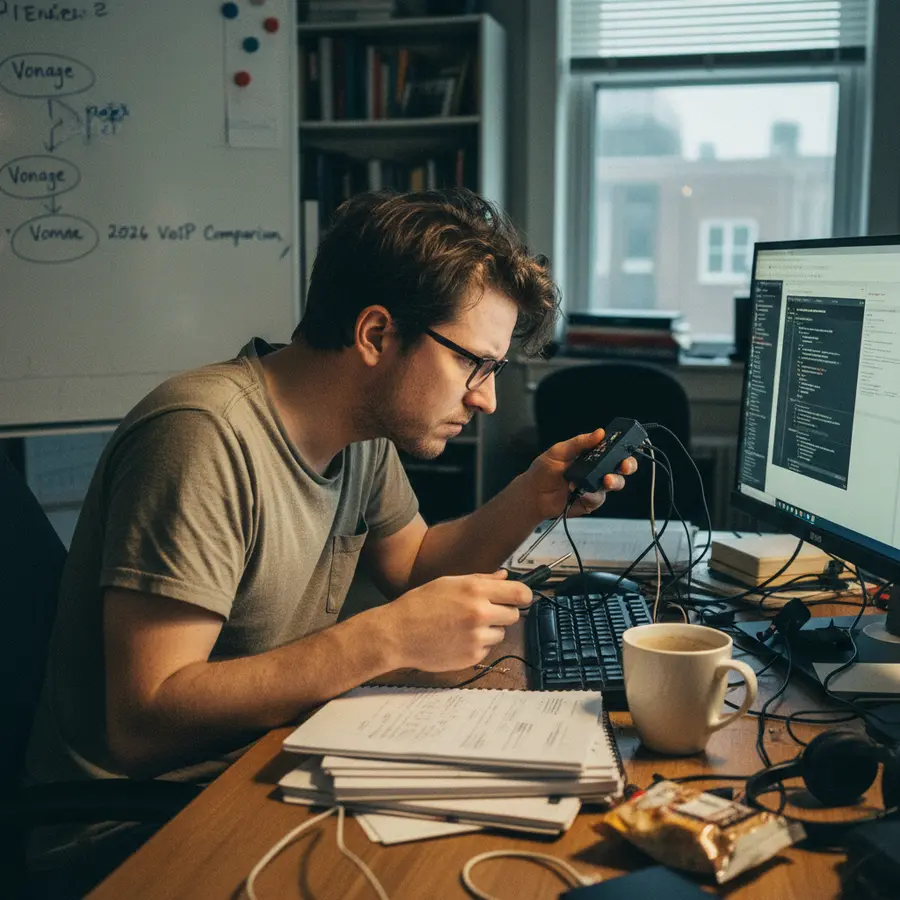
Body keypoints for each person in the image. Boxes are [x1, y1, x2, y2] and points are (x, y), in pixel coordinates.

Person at [26, 188, 636, 852]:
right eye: (474, 363)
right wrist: (383, 640)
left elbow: (414, 565)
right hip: (137, 827)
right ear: (376, 334)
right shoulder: (202, 438)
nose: (486, 398)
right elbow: (144, 724)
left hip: (263, 763)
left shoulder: (362, 431)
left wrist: (531, 497)